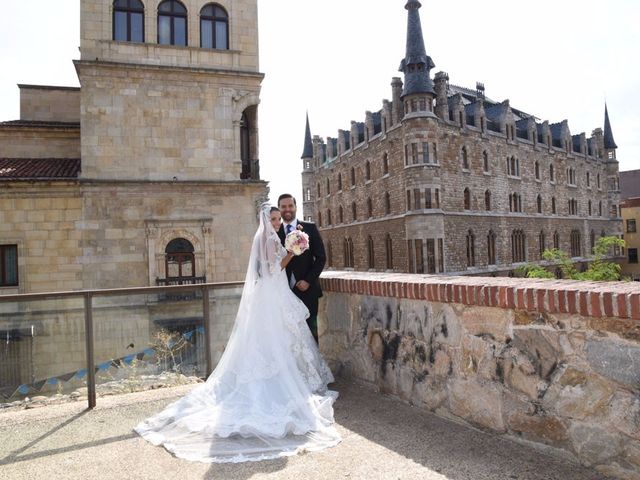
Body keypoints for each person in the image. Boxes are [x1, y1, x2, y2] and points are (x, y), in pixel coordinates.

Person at [134, 203, 340, 463]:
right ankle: (276, 387)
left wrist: (290, 249)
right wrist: (291, 251)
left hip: (273, 295)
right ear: (267, 220)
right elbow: (273, 269)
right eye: (275, 218)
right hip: (271, 296)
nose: (277, 222)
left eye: (279, 219)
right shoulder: (267, 239)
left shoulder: (268, 237)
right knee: (274, 341)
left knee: (278, 341)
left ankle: (283, 381)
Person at [277, 194, 326, 343]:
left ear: (295, 207)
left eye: (290, 206)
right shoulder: (274, 232)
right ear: (279, 209)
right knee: (287, 337)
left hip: (308, 291)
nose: (287, 209)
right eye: (283, 207)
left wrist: (308, 281)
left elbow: (321, 257)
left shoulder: (309, 228)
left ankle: (313, 367)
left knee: (311, 334)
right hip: (283, 293)